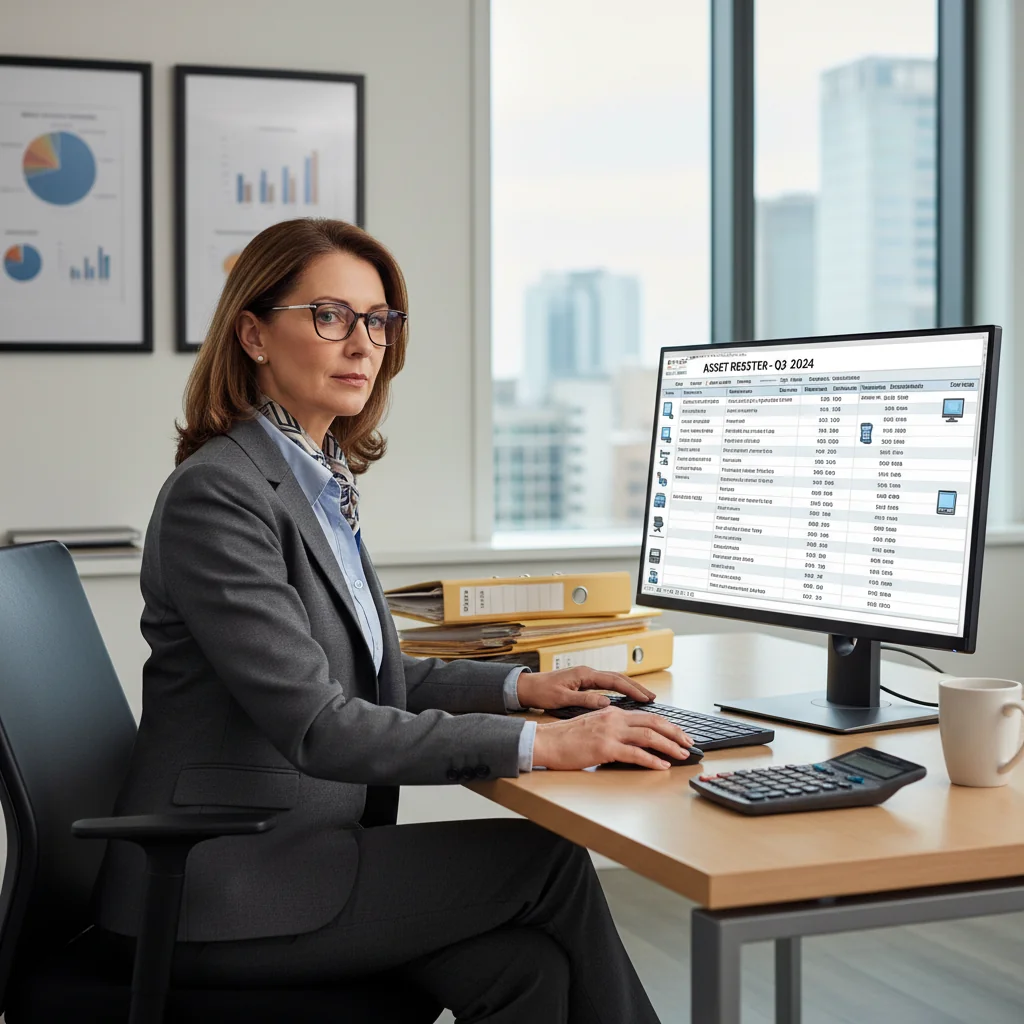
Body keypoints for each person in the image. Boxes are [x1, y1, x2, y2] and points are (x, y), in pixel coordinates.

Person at [94, 218, 693, 1023]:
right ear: (252, 334)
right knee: (546, 861)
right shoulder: (221, 494)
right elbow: (322, 725)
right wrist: (547, 746)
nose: (363, 344)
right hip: (221, 881)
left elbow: (368, 678)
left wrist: (525, 690)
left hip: (297, 856)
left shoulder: (313, 479)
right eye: (331, 316)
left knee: (526, 972)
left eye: (378, 321)